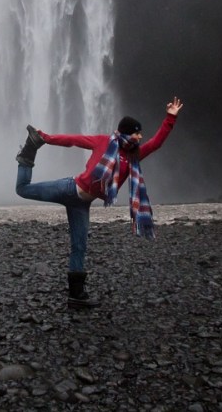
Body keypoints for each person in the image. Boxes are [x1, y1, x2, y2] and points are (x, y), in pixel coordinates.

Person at [14, 97, 184, 308]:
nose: (140, 136)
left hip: (81, 204)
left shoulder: (133, 156)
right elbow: (73, 140)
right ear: (126, 132)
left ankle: (76, 295)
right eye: (137, 132)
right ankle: (27, 155)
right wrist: (45, 138)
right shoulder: (103, 141)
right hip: (70, 188)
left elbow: (156, 143)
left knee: (79, 246)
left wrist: (170, 118)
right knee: (22, 189)